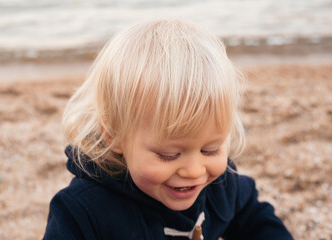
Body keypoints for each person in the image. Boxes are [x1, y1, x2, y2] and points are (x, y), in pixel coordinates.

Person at [43, 19, 293, 240]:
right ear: (113, 134)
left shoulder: (222, 189)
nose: (195, 171)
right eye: (169, 155)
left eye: (210, 150)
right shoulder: (82, 212)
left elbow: (256, 222)